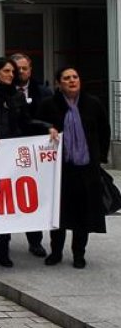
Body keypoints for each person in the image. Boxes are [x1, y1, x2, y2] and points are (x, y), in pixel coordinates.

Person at [0, 57, 56, 268]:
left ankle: (3, 249)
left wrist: (47, 127)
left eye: (13, 72)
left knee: (5, 203)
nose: (10, 75)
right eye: (6, 71)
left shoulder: (16, 97)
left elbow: (26, 121)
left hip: (10, 158)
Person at [36, 67, 110, 269]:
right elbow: (35, 124)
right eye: (66, 78)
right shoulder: (49, 105)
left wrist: (100, 157)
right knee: (58, 214)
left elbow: (104, 131)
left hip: (87, 169)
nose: (72, 81)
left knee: (83, 215)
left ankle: (79, 254)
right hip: (60, 169)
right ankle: (56, 252)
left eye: (75, 77)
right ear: (59, 83)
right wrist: (46, 127)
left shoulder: (92, 104)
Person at [11, 52, 53, 257]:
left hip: (38, 152)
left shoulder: (44, 92)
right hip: (9, 152)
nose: (20, 72)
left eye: (24, 68)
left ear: (30, 69)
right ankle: (2, 242)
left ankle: (35, 240)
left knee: (33, 195)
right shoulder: (4, 92)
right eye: (16, 69)